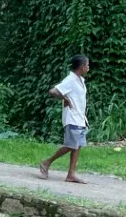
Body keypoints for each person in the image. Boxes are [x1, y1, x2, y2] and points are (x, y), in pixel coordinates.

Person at [39, 54, 90, 184]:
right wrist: (65, 98)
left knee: (77, 146)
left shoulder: (80, 80)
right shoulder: (71, 80)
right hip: (72, 117)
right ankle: (46, 162)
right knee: (70, 145)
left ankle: (71, 174)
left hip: (80, 118)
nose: (88, 67)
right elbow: (53, 91)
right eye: (87, 65)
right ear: (81, 67)